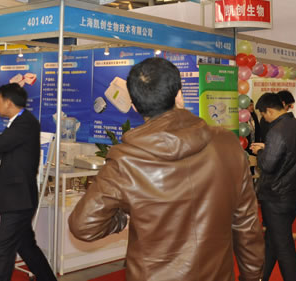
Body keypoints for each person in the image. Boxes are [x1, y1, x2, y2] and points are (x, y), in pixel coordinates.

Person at [69, 58, 264, 281]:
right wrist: (252, 276)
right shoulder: (227, 144)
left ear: (134, 105)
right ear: (179, 95)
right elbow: (246, 222)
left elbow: (83, 226)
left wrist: (124, 215)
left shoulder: (125, 159)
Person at [0, 83, 56, 281]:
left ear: (8, 102)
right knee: (26, 246)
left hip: (19, 199)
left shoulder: (25, 122)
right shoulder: (19, 122)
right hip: (17, 197)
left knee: (3, 247)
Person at [250, 93, 296, 281]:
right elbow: (288, 157)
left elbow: (268, 165)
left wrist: (260, 151)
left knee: (283, 246)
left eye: (263, 114)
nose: (264, 118)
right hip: (294, 194)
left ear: (269, 111)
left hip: (276, 196)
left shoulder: (277, 131)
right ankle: (259, 277)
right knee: (273, 240)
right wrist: (267, 149)